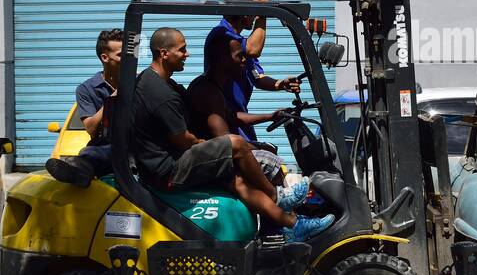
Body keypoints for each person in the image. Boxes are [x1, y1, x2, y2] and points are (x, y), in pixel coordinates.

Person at [132, 27, 332, 243]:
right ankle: (278, 196)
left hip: (170, 163)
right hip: (169, 170)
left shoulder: (165, 84)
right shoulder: (162, 94)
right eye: (182, 50)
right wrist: (205, 144)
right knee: (237, 144)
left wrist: (269, 116)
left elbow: (230, 116)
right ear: (164, 54)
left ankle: (293, 226)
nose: (187, 54)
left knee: (238, 181)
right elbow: (183, 140)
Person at [186, 29, 287, 186]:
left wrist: (270, 116)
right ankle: (280, 202)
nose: (244, 61)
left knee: (267, 149)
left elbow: (233, 116)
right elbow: (227, 143)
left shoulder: (214, 87)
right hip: (211, 159)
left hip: (216, 153)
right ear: (223, 59)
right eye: (239, 56)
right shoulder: (209, 92)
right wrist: (257, 148)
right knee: (271, 161)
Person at [46, 28, 122, 188]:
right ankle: (79, 174)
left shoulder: (140, 82)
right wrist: (112, 100)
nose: (127, 61)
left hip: (138, 145)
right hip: (107, 147)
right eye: (121, 56)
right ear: (105, 58)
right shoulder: (86, 89)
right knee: (91, 153)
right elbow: (91, 129)